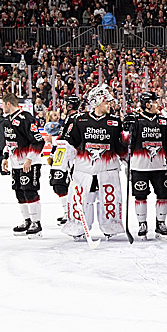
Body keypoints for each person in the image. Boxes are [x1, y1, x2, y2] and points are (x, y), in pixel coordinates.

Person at [62, 85, 128, 241]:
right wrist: (64, 164)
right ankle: (78, 227)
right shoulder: (80, 120)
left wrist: (127, 161)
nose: (109, 105)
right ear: (96, 102)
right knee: (82, 198)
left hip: (108, 169)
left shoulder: (115, 122)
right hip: (84, 169)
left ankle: (110, 226)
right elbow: (70, 143)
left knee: (110, 198)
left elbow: (120, 146)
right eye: (106, 102)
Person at [125, 91, 167, 240]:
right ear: (147, 104)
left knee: (163, 195)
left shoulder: (164, 121)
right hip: (140, 166)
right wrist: (126, 129)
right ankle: (142, 224)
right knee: (140, 196)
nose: (158, 105)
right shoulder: (135, 120)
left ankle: (161, 223)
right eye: (155, 102)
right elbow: (125, 142)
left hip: (160, 166)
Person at [0, 92, 46, 238]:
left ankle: (36, 223)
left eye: (2, 104)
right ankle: (27, 220)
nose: (1, 107)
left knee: (29, 190)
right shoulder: (6, 121)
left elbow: (38, 141)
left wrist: (29, 159)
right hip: (15, 163)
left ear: (8, 104)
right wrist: (5, 157)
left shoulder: (26, 118)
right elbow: (9, 142)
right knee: (19, 192)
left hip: (29, 163)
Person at [48, 95, 81, 225]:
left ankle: (70, 213)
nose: (62, 106)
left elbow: (71, 139)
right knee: (57, 183)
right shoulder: (68, 119)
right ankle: (67, 212)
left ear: (70, 106)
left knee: (61, 183)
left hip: (69, 156)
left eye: (65, 104)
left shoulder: (75, 119)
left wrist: (54, 141)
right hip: (61, 154)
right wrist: (52, 153)